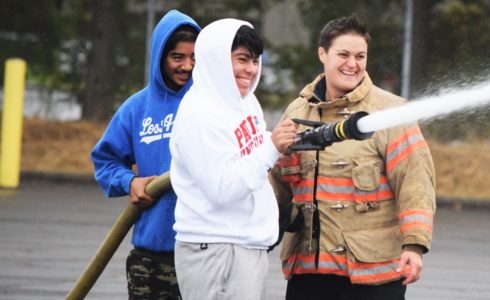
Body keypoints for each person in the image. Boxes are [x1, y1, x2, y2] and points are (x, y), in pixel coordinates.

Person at [269, 15, 436, 300]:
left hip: (373, 276)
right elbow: (277, 186)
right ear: (322, 54)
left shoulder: (391, 113)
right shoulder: (297, 111)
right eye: (343, 54)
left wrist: (414, 246)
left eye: (360, 56)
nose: (353, 64)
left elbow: (416, 185)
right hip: (308, 272)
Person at [169, 19, 297, 300]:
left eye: (254, 60)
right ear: (215, 59)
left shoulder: (244, 102)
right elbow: (221, 188)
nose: (250, 70)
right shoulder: (199, 116)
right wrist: (271, 149)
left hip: (244, 244)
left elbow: (247, 150)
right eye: (241, 59)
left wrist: (280, 140)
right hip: (215, 249)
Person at [90, 10, 200, 299]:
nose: (187, 66)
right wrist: (130, 182)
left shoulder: (209, 103)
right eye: (178, 57)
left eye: (194, 57)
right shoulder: (136, 108)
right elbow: (106, 160)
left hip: (203, 252)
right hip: (150, 257)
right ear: (160, 56)